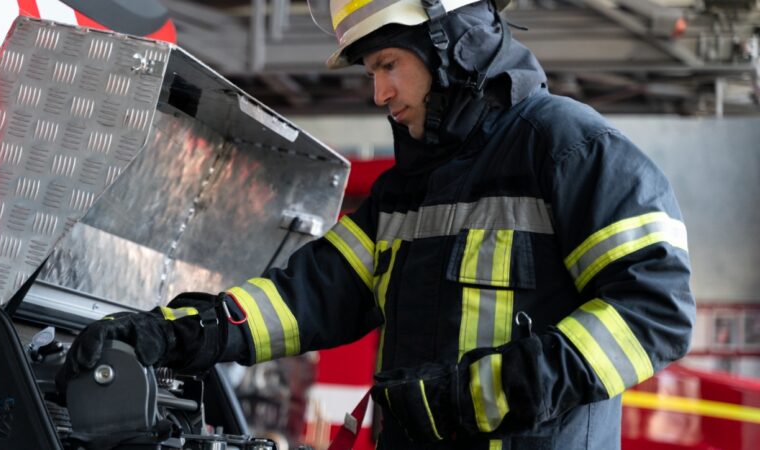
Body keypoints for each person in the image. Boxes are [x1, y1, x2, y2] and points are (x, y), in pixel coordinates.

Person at [57, 0, 696, 448]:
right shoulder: (406, 192)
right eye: (371, 73)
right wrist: (175, 334)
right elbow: (307, 295)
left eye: (388, 64)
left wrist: (476, 396)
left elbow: (655, 308)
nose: (379, 94)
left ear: (451, 42)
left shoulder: (568, 149)